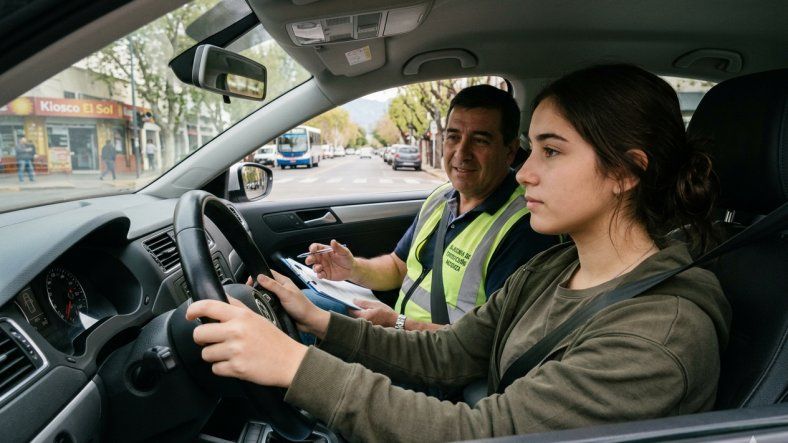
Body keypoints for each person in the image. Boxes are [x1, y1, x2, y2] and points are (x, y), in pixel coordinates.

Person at [186, 65, 731, 440]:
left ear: (625, 173)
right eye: (530, 148)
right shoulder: (558, 266)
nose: (525, 171)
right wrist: (320, 325)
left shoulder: (657, 337)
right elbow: (448, 355)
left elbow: (478, 436)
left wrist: (294, 364)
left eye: (551, 151)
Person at [304, 85, 557, 332]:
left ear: (510, 152)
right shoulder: (441, 197)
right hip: (401, 335)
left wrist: (398, 324)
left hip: (440, 364)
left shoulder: (524, 227)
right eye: (454, 137)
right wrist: (353, 269)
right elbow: (397, 267)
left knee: (305, 320)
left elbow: (492, 341)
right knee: (301, 303)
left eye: (480, 141)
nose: (461, 152)